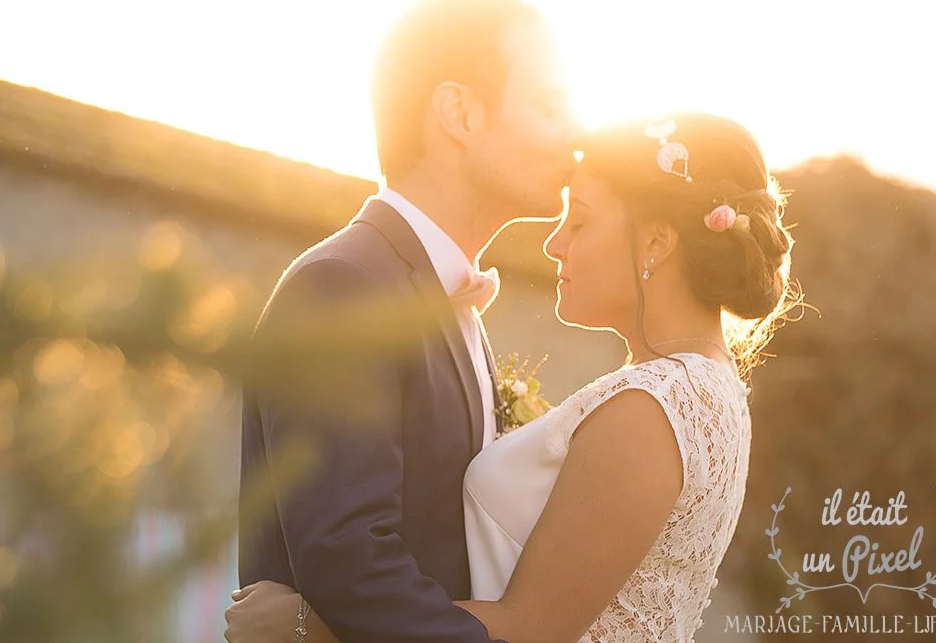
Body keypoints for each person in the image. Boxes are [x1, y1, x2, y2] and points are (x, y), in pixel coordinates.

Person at [228, 112, 796, 642]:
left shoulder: (652, 408)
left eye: (581, 222)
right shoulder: (703, 391)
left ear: (655, 242)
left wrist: (317, 627)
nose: (554, 242)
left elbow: (529, 630)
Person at [234, 0, 578, 643]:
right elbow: (348, 556)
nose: (577, 134)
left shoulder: (447, 300)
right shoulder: (343, 287)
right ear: (458, 113)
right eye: (552, 105)